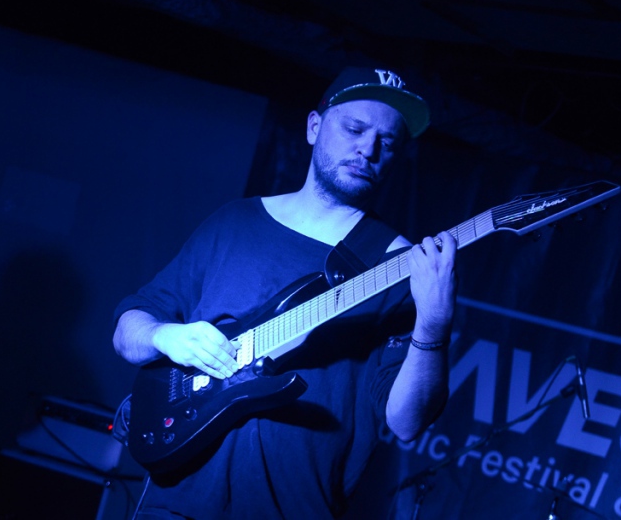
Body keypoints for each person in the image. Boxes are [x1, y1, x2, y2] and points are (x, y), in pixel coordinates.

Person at [112, 67, 457, 518]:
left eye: (387, 143)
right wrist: (165, 336)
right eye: (355, 128)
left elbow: (407, 421)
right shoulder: (235, 222)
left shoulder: (400, 266)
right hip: (172, 502)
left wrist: (433, 326)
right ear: (314, 127)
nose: (368, 149)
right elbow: (128, 332)